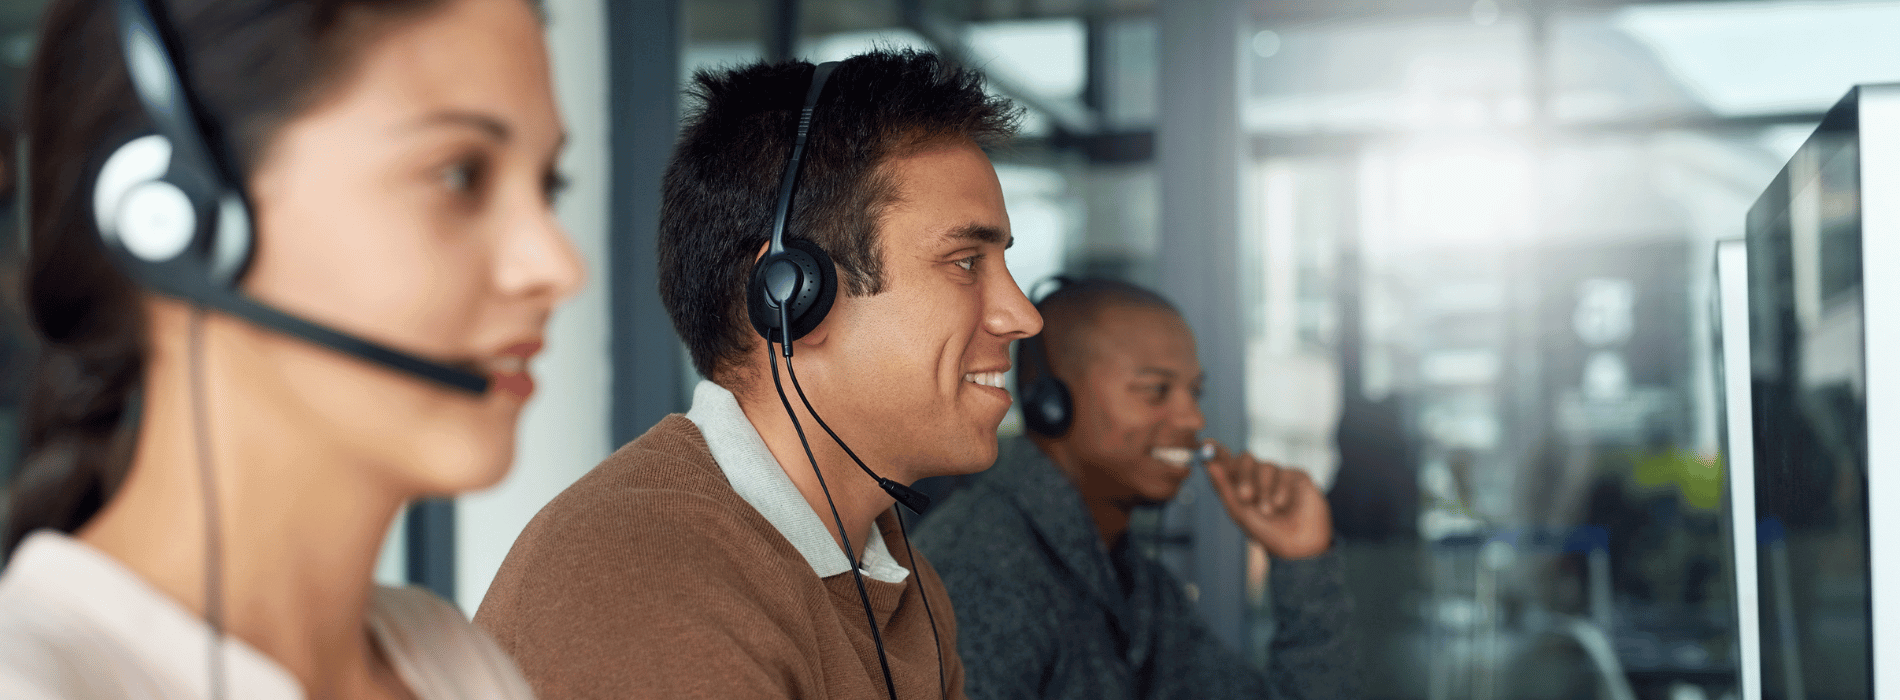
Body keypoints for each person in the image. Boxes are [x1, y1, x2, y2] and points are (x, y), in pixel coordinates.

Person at [0, 0, 584, 698]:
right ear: (174, 221)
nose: (558, 265)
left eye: (548, 187)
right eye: (459, 174)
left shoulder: (451, 659)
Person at [474, 50, 1040, 699]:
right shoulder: (651, 578)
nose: (1022, 315)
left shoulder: (889, 569)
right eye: (966, 262)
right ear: (792, 294)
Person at [914, 278, 1358, 700]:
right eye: (1155, 391)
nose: (1193, 420)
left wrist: (1303, 560)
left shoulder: (1134, 585)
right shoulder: (981, 569)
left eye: (1194, 392)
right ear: (1050, 404)